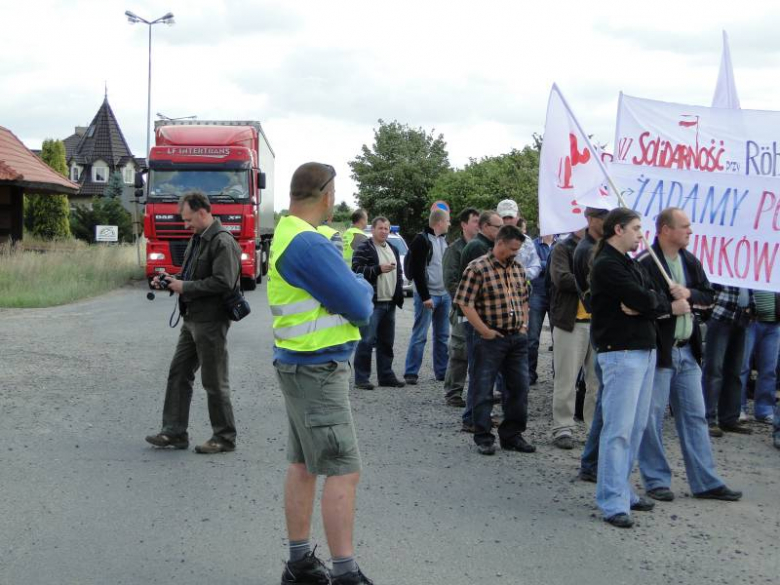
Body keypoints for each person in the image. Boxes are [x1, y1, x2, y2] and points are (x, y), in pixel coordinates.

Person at [269, 162, 375, 585]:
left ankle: (299, 565)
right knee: (342, 468)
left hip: (298, 364)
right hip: (318, 369)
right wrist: (358, 286)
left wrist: (347, 287)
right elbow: (362, 304)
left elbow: (343, 293)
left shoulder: (287, 230)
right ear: (328, 195)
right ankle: (345, 573)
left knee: (303, 464)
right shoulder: (310, 245)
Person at [637, 208, 742, 504]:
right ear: (665, 230)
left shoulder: (690, 261)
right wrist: (668, 306)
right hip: (660, 353)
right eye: (684, 227)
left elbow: (708, 294)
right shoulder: (647, 263)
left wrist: (690, 295)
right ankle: (656, 480)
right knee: (652, 418)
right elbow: (639, 304)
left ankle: (705, 481)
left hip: (687, 351)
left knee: (695, 417)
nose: (690, 231)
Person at [590, 208, 670, 528]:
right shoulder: (607, 265)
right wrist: (648, 303)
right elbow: (645, 299)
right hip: (621, 351)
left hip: (643, 349)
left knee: (636, 427)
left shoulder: (632, 264)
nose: (641, 234)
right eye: (637, 228)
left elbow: (657, 299)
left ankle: (623, 488)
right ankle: (612, 500)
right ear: (619, 229)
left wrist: (646, 305)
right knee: (618, 429)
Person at [145, 191, 241, 454]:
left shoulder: (223, 242)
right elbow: (189, 275)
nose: (185, 225)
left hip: (211, 321)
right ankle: (174, 433)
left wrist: (184, 286)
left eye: (188, 219)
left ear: (202, 212)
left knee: (214, 381)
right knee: (178, 373)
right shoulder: (197, 239)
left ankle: (224, 437)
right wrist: (169, 279)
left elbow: (224, 281)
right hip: (191, 320)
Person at [454, 224, 536, 455]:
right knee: (483, 388)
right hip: (489, 339)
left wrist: (523, 325)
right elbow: (464, 302)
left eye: (517, 250)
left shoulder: (518, 269)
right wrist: (484, 330)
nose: (514, 254)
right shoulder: (477, 268)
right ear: (499, 243)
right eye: (511, 249)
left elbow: (523, 299)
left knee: (519, 388)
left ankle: (512, 435)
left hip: (516, 338)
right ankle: (483, 436)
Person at [548, 222, 598, 450]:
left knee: (596, 382)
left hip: (598, 323)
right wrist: (597, 279)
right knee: (566, 379)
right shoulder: (562, 248)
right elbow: (561, 279)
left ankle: (593, 428)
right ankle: (562, 427)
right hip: (571, 322)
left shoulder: (602, 246)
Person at [459, 210, 503, 432]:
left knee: (483, 370)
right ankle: (472, 418)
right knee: (479, 371)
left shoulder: (481, 244)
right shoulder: (478, 247)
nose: (500, 231)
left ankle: (479, 415)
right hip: (477, 318)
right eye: (497, 227)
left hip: (482, 316)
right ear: (485, 226)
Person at [351, 216, 406, 390]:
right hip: (373, 303)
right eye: (380, 228)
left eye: (386, 228)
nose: (384, 231)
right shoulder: (364, 247)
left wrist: (398, 295)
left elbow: (398, 274)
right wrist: (377, 270)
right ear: (373, 230)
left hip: (389, 303)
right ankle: (361, 378)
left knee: (386, 342)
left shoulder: (393, 248)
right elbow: (356, 270)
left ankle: (386, 376)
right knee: (366, 341)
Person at [404, 208, 451, 385]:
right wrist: (425, 297)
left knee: (442, 336)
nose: (449, 224)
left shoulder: (444, 240)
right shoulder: (421, 240)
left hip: (444, 295)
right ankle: (411, 372)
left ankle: (442, 372)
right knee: (420, 334)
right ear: (439, 222)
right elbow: (417, 271)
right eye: (447, 221)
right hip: (428, 296)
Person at [703, 285, 755, 436]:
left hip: (741, 318)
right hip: (721, 315)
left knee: (734, 371)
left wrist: (751, 306)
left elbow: (751, 285)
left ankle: (729, 418)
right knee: (714, 370)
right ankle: (708, 418)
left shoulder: (747, 263)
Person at [442, 207, 480, 407]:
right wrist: (468, 300)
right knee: (459, 350)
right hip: (461, 308)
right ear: (464, 224)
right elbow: (450, 281)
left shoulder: (482, 246)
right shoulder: (454, 249)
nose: (478, 224)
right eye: (475, 221)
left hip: (480, 309)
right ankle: (453, 392)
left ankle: (477, 391)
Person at [738, 289, 780, 423]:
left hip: (774, 322)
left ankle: (765, 410)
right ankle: (738, 408)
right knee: (742, 367)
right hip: (750, 320)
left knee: (769, 369)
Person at [528, 232, 555, 386]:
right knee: (532, 338)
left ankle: (557, 373)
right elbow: (533, 266)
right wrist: (551, 264)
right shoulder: (532, 244)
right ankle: (530, 374)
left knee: (558, 338)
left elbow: (540, 265)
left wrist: (543, 264)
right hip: (537, 293)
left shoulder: (561, 243)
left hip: (555, 295)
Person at [496, 199, 541, 280]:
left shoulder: (526, 241)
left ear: (518, 217)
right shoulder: (491, 238)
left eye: (510, 217)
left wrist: (519, 274)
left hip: (521, 289)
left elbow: (535, 266)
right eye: (504, 217)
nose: (507, 220)